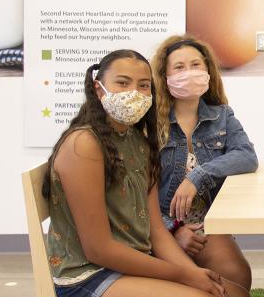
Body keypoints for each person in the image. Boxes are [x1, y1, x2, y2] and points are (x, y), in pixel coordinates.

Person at [43, 49, 232, 297]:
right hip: (89, 274)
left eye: (143, 85)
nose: (134, 92)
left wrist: (194, 274)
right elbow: (98, 250)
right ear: (99, 89)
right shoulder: (84, 144)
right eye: (122, 83)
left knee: (230, 291)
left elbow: (157, 232)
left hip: (135, 263)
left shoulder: (139, 142)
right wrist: (184, 275)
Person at [151, 35, 259, 296]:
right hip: (159, 229)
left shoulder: (222, 115)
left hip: (204, 224)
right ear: (164, 77)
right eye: (179, 67)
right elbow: (138, 195)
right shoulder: (150, 124)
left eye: (196, 65)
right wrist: (173, 230)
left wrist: (198, 176)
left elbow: (246, 155)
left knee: (237, 275)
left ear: (208, 71)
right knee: (208, 287)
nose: (189, 72)